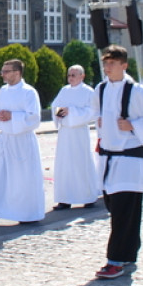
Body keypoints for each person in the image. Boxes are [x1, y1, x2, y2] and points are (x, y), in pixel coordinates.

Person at [93, 45, 143, 279]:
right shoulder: (101, 88)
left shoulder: (138, 91)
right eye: (105, 63)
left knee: (123, 212)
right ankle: (129, 250)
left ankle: (115, 261)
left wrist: (134, 125)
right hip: (108, 159)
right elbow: (96, 113)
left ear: (124, 65)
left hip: (129, 160)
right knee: (115, 208)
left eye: (112, 63)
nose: (107, 68)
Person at [0, 59, 45, 226]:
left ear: (17, 72)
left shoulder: (29, 92)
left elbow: (34, 118)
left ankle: (27, 213)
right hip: (6, 138)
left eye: (6, 71)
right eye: (2, 71)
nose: (2, 74)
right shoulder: (3, 91)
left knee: (23, 178)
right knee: (2, 177)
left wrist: (12, 116)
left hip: (22, 140)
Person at [50, 65, 100, 209]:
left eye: (74, 75)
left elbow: (92, 111)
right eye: (69, 75)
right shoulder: (64, 90)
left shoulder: (88, 92)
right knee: (64, 165)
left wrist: (71, 111)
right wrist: (61, 112)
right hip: (65, 134)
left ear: (82, 76)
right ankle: (65, 199)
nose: (70, 78)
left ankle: (87, 197)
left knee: (81, 163)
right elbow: (55, 107)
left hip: (79, 133)